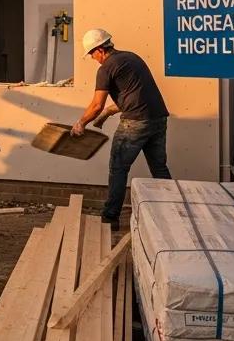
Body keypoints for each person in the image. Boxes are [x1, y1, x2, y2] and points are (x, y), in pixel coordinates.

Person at [71, 28, 171, 226]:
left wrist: (81, 123)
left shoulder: (106, 68)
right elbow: (135, 93)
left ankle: (110, 217)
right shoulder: (131, 58)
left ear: (100, 49)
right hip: (158, 118)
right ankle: (171, 209)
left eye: (91, 53)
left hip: (135, 123)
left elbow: (96, 104)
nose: (92, 58)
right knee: (159, 167)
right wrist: (109, 112)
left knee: (118, 168)